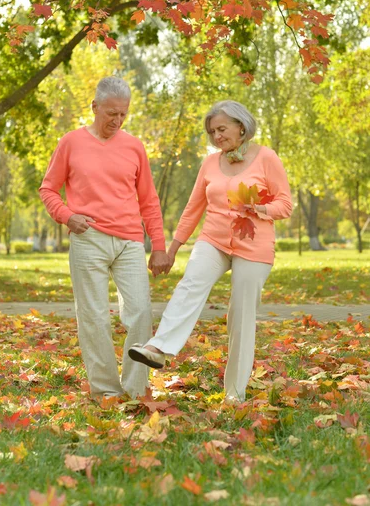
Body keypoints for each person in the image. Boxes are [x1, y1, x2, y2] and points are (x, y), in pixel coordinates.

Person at [129, 100, 292, 404]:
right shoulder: (209, 163)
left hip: (253, 246)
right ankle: (159, 348)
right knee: (191, 283)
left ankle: (234, 394)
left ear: (241, 126)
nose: (217, 136)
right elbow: (193, 210)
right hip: (213, 240)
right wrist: (172, 249)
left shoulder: (267, 158)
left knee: (240, 317)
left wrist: (259, 208)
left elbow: (285, 204)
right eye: (212, 132)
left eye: (221, 128)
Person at [39, 76, 168, 400]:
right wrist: (67, 216)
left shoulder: (134, 146)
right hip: (89, 238)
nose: (117, 120)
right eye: (111, 113)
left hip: (129, 241)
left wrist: (159, 246)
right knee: (94, 317)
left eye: (123, 114)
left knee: (140, 312)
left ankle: (135, 388)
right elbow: (48, 189)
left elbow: (149, 200)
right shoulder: (71, 142)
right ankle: (107, 391)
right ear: (95, 106)